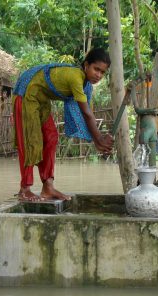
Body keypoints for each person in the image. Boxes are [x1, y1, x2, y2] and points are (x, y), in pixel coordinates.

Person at [12, 48, 114, 201]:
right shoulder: (75, 77)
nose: (98, 75)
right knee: (30, 140)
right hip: (26, 92)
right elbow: (86, 114)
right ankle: (25, 189)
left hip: (41, 98)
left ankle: (48, 187)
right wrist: (98, 139)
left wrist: (98, 140)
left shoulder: (86, 86)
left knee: (52, 137)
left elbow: (87, 114)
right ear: (86, 65)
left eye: (102, 72)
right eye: (96, 69)